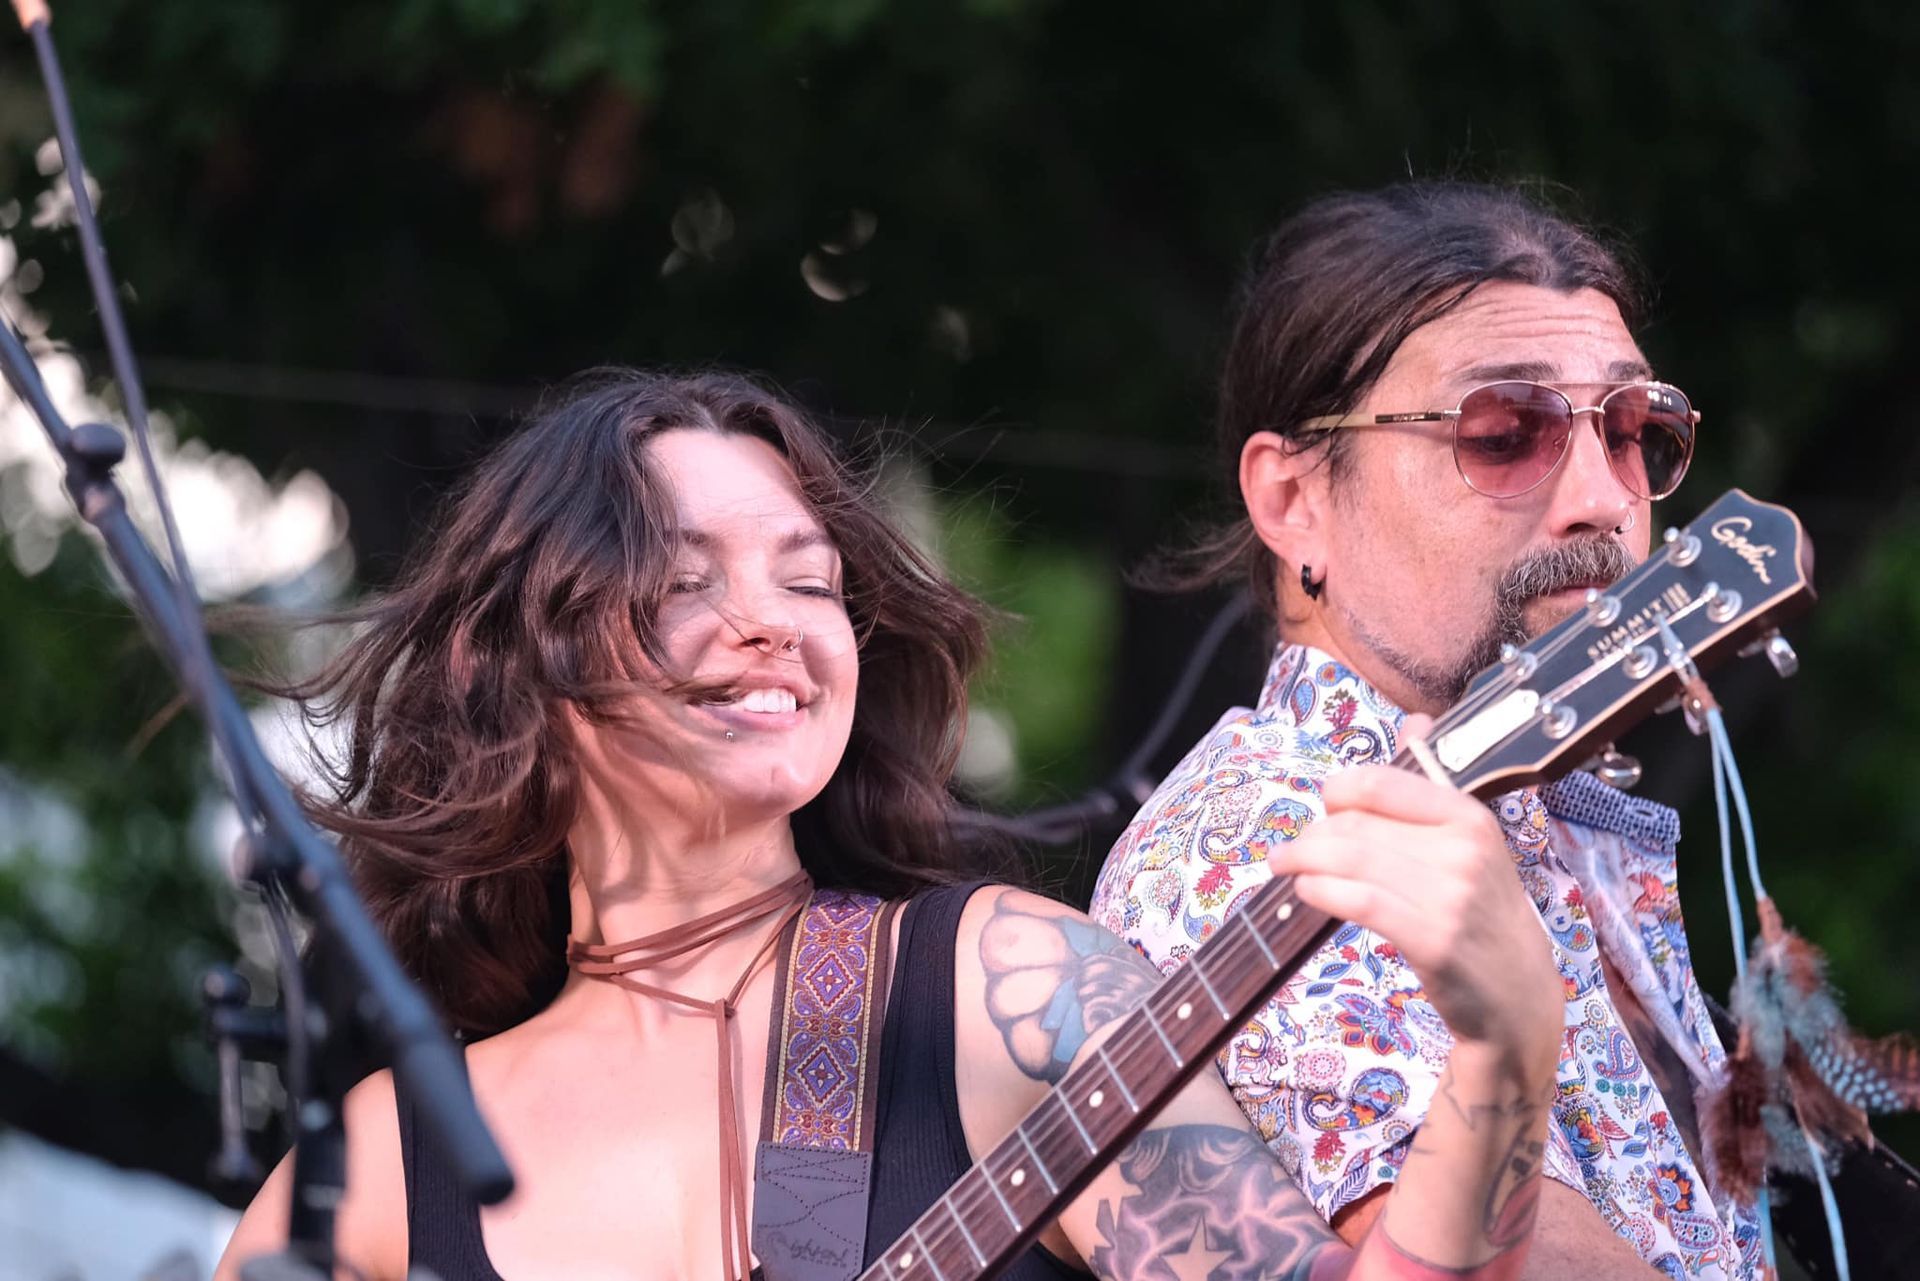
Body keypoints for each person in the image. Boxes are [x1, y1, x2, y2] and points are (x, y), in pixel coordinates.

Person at [217, 368, 1563, 1281]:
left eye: (810, 582)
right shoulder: (380, 1171)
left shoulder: (1003, 991)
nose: (771, 622)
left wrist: (1508, 1047)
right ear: (521, 667)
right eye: (683, 581)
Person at [1091, 183, 1765, 1281]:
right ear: (1293, 500)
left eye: (1632, 431)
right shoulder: (1270, 836)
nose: (1604, 498)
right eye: (1505, 433)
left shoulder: (1546, 810)